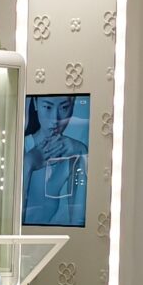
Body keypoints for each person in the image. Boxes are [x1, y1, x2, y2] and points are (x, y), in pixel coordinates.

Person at [21, 94, 88, 226]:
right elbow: (7, 220)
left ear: (72, 106)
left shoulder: (75, 150)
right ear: (36, 104)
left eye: (64, 108)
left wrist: (82, 152)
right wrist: (28, 163)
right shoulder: (20, 147)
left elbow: (78, 220)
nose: (55, 119)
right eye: (47, 107)